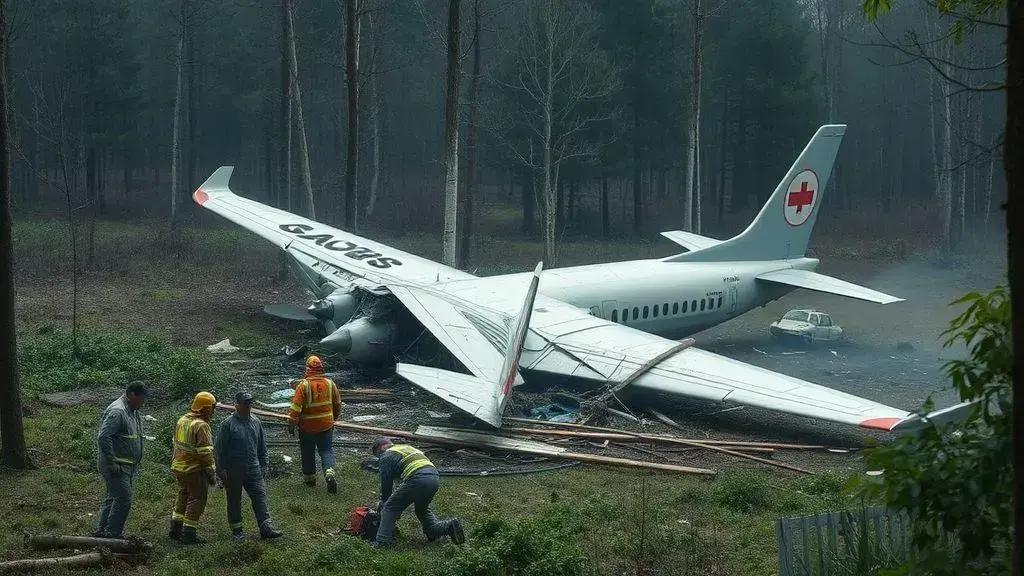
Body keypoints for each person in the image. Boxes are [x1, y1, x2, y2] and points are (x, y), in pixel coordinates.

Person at [370, 437, 464, 549]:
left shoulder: (386, 456)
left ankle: (382, 542)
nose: (379, 458)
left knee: (390, 508)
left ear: (381, 447)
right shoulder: (406, 448)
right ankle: (444, 528)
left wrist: (383, 502)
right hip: (433, 477)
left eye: (377, 455)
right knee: (422, 509)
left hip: (418, 478)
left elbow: (386, 485)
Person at [214, 391, 284, 541]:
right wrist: (220, 471)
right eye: (245, 404)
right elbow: (219, 450)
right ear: (236, 405)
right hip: (234, 470)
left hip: (254, 468)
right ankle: (237, 531)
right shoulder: (227, 425)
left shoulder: (256, 422)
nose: (248, 407)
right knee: (234, 500)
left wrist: (264, 464)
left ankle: (266, 528)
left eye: (250, 404)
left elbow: (262, 446)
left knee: (260, 497)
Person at [94, 381, 147, 538]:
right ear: (132, 395)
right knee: (124, 499)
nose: (143, 403)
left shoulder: (132, 410)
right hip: (116, 466)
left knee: (113, 498)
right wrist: (112, 461)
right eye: (142, 399)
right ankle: (113, 534)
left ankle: (101, 531)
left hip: (126, 466)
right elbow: (103, 437)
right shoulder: (118, 411)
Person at [287, 355, 341, 493]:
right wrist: (333, 418)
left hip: (307, 427)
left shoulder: (303, 386)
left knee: (307, 452)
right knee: (326, 450)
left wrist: (291, 425)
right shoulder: (330, 383)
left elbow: (295, 410)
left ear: (308, 368)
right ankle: (329, 472)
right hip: (326, 425)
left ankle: (310, 480)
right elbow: (337, 404)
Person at [169, 391, 217, 544]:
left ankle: (175, 528)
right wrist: (211, 472)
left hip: (178, 467)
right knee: (197, 499)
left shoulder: (182, 420)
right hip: (194, 469)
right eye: (212, 408)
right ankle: (189, 533)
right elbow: (205, 453)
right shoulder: (201, 425)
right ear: (207, 408)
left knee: (183, 496)